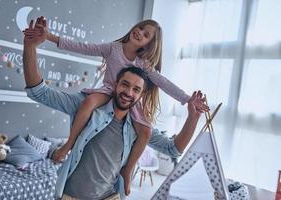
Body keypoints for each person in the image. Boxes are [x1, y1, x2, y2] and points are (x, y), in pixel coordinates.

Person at [23, 18, 208, 199]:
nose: (129, 92)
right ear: (118, 81)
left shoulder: (143, 71)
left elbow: (173, 146)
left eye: (136, 89)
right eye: (141, 27)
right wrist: (45, 39)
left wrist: (189, 104)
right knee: (88, 103)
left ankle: (127, 172)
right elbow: (81, 49)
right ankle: (68, 145)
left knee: (146, 130)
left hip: (112, 194)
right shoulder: (112, 52)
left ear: (142, 93)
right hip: (103, 94)